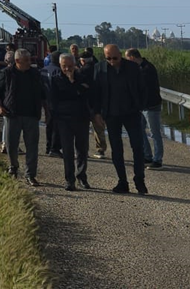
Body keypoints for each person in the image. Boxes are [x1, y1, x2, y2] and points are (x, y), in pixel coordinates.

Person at [90, 44, 148, 194]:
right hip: (111, 114)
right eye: (108, 58)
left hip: (131, 113)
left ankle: (139, 179)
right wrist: (96, 113)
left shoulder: (132, 68)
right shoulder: (100, 68)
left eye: (115, 58)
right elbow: (95, 93)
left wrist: (140, 105)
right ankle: (122, 182)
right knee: (117, 149)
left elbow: (143, 88)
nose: (112, 61)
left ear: (120, 55)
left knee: (138, 147)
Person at [0, 48, 49, 185]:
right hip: (12, 114)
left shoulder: (35, 74)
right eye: (26, 61)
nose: (29, 63)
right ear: (17, 61)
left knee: (32, 146)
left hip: (31, 115)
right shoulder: (7, 73)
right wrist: (0, 107)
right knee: (12, 145)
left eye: (30, 60)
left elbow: (43, 94)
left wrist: (47, 112)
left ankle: (30, 174)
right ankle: (13, 167)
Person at [48, 52, 93, 191]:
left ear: (74, 64)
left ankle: (82, 176)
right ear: (60, 65)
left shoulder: (82, 76)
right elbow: (55, 98)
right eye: (64, 66)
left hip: (81, 117)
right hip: (64, 119)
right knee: (67, 151)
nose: (67, 69)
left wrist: (73, 82)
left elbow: (86, 93)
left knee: (82, 149)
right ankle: (69, 179)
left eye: (70, 66)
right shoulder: (55, 79)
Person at [125, 48, 165, 169]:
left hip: (151, 106)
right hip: (143, 107)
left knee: (155, 133)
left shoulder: (147, 69)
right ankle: (147, 155)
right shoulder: (140, 68)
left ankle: (158, 160)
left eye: (128, 59)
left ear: (132, 57)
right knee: (140, 131)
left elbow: (143, 88)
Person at [78, 49, 108, 158]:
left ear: (82, 61)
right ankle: (100, 149)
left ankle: (84, 150)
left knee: (84, 129)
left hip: (86, 103)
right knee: (99, 128)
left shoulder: (82, 71)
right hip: (100, 102)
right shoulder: (100, 68)